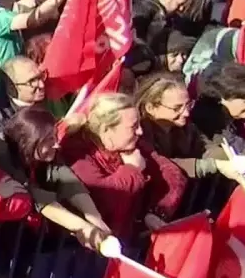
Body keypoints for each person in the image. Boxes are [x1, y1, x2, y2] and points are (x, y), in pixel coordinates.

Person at [59, 93, 187, 240]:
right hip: (90, 247)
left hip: (127, 239)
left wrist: (156, 212)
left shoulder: (135, 145)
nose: (140, 131)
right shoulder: (77, 152)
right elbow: (102, 199)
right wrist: (132, 170)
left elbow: (172, 173)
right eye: (133, 127)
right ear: (107, 130)